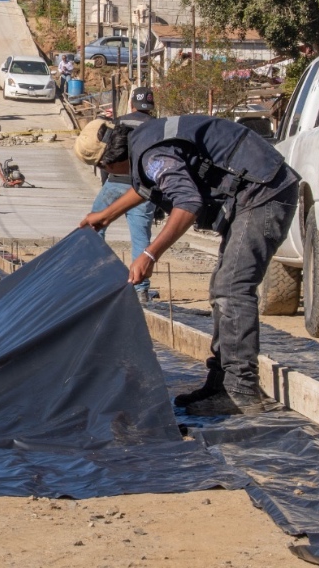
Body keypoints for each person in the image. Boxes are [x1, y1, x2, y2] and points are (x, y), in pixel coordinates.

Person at [79, 114, 300, 416]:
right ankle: (222, 381)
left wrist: (150, 254)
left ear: (108, 163)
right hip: (257, 188)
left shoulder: (151, 154)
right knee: (223, 288)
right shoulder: (143, 140)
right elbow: (147, 188)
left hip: (264, 193)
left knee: (232, 288)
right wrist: (106, 215)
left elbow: (187, 203)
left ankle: (241, 391)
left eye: (102, 168)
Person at [85, 87, 157, 304]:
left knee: (94, 227)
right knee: (141, 238)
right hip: (144, 189)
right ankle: (141, 290)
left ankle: (98, 279)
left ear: (132, 105)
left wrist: (106, 181)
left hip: (116, 183)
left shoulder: (119, 122)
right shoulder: (157, 126)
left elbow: (107, 154)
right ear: (151, 108)